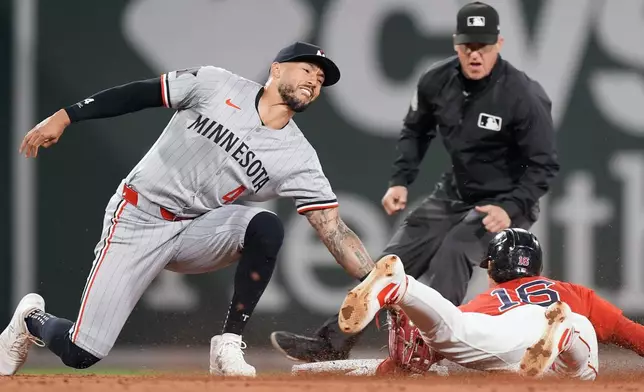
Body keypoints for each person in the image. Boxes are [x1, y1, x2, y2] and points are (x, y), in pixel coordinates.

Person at [0, 41, 378, 378]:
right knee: (81, 352)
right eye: (307, 68)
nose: (315, 79)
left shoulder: (299, 157)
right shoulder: (216, 84)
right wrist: (67, 115)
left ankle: (228, 343)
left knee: (265, 227)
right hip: (137, 217)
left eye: (321, 78)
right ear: (276, 69)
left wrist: (380, 286)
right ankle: (31, 319)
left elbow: (333, 229)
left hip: (195, 229)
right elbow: (139, 94)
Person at [270, 1, 559, 362]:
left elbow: (544, 165)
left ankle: (430, 349)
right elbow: (415, 131)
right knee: (392, 260)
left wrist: (510, 207)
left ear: (498, 44)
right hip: (456, 193)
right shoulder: (437, 81)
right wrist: (401, 180)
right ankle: (333, 342)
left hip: (507, 201)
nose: (475, 54)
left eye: (483, 46)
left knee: (454, 250)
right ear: (456, 43)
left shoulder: (523, 94)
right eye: (468, 45)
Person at [338, 228, 600, 380]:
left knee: (455, 330)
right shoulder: (577, 293)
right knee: (578, 372)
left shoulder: (490, 300)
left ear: (492, 270)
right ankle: (565, 334)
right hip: (565, 326)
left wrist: (392, 367)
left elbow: (441, 340)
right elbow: (634, 334)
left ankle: (405, 286)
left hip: (519, 328)